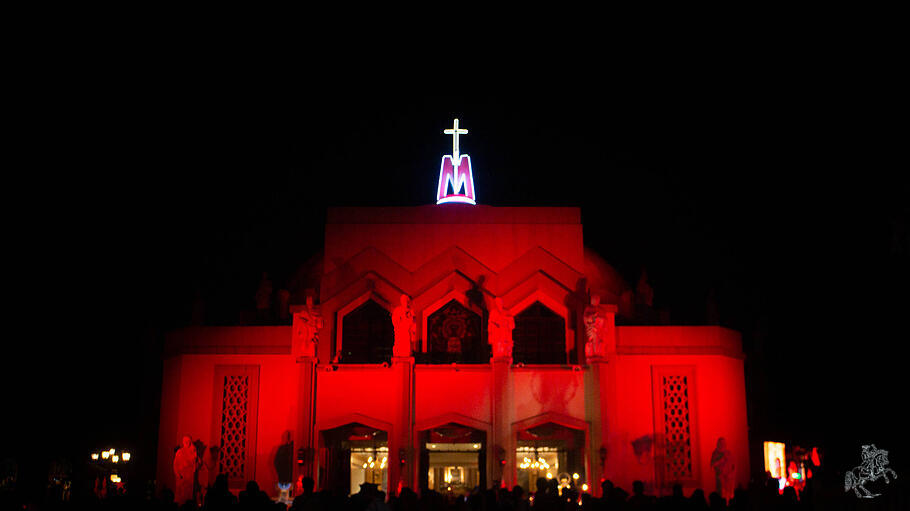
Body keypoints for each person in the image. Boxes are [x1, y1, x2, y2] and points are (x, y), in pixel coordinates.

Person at [173, 435, 199, 505]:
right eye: (186, 441)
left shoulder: (192, 452)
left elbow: (195, 464)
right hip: (181, 477)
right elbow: (175, 464)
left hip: (189, 478)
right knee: (180, 496)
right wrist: (178, 474)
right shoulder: (179, 452)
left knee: (188, 495)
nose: (187, 443)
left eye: (189, 441)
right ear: (183, 442)